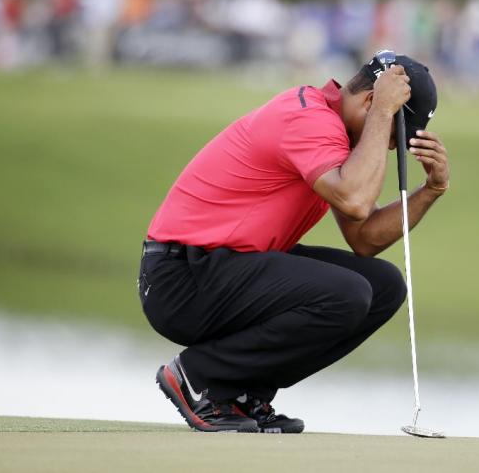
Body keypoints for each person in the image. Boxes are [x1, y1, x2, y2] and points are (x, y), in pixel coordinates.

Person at [140, 53, 449, 433]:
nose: (386, 147)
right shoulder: (307, 117)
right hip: (181, 278)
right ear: (370, 101)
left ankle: (241, 392)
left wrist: (430, 190)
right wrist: (386, 112)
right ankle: (198, 377)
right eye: (391, 139)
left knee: (384, 286)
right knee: (345, 293)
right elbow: (355, 199)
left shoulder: (333, 130)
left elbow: (364, 238)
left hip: (223, 269)